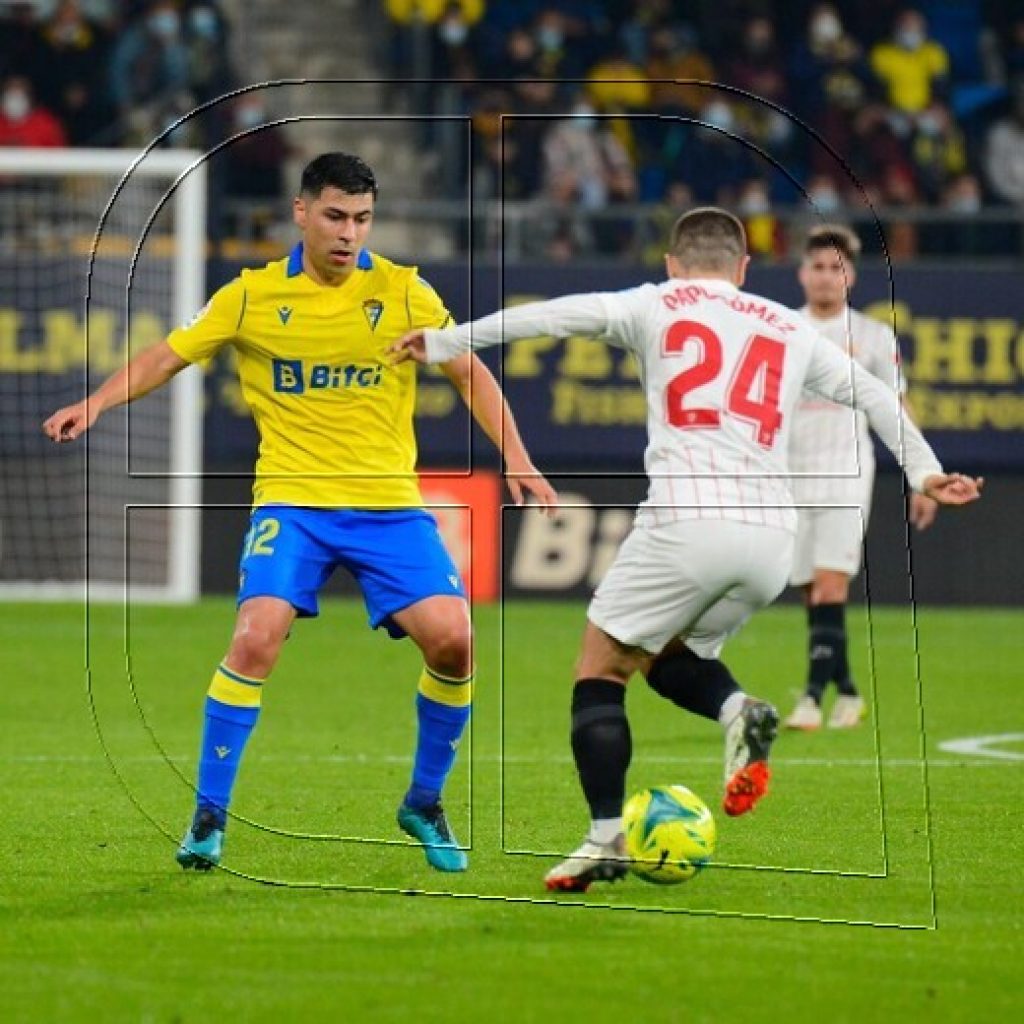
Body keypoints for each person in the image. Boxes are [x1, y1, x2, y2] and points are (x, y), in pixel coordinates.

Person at [390, 207, 982, 893]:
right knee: (668, 659)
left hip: (687, 523)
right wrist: (925, 471)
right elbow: (876, 395)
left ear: (673, 263)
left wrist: (444, 342)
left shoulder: (652, 304)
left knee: (601, 667)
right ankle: (738, 711)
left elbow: (548, 317)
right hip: (770, 539)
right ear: (744, 269)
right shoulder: (787, 326)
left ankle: (604, 838)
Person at [43, 152, 556, 874]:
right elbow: (167, 355)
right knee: (256, 637)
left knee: (455, 642)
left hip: (387, 507)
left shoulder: (404, 291)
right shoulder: (251, 297)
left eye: (362, 219)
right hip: (294, 501)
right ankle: (209, 816)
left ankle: (424, 801)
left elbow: (467, 367)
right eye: (336, 216)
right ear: (302, 213)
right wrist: (96, 401)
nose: (350, 233)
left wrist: (518, 456)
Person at [784, 224, 936, 731]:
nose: (827, 277)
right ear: (802, 273)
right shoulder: (781, 329)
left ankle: (808, 699)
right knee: (811, 590)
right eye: (818, 267)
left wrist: (922, 476)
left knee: (830, 586)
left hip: (847, 475)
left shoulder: (873, 336)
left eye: (836, 268)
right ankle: (847, 691)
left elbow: (894, 406)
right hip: (791, 477)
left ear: (850, 275)